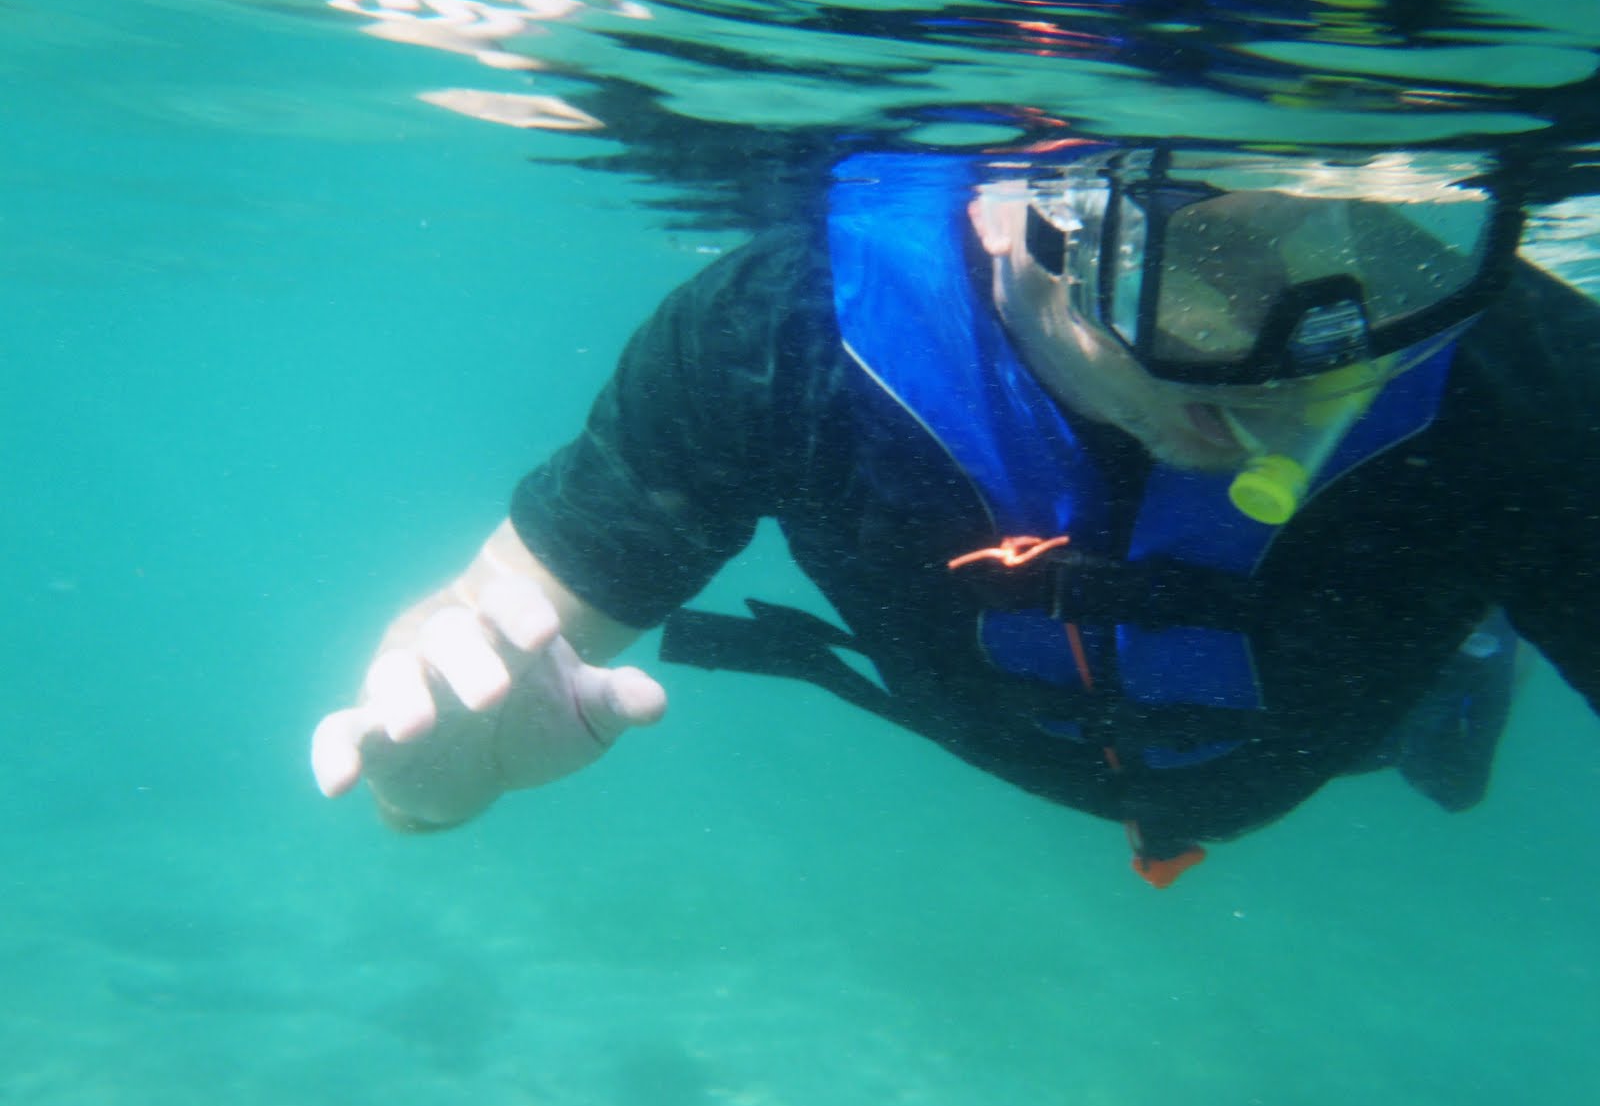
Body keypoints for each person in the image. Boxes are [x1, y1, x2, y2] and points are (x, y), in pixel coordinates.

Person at [311, 145, 1598, 887]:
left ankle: (1469, 642)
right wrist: (438, 782)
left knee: (1441, 750)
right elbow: (490, 625)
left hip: (1351, 723)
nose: (1307, 359)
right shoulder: (782, 338)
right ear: (1009, 202)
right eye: (1206, 266)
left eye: (1388, 245)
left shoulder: (1530, 381)